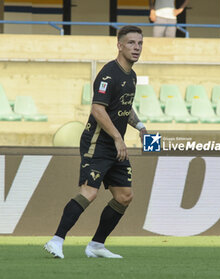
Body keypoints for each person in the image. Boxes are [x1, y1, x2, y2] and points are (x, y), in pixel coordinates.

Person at [44, 25, 147, 259]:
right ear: (119, 45)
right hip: (98, 143)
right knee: (89, 192)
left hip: (115, 145)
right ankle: (56, 240)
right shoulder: (108, 74)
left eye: (140, 43)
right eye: (131, 43)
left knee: (124, 196)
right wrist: (119, 138)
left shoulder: (131, 76)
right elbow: (98, 109)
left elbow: (124, 106)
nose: (137, 48)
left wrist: (140, 126)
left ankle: (96, 246)